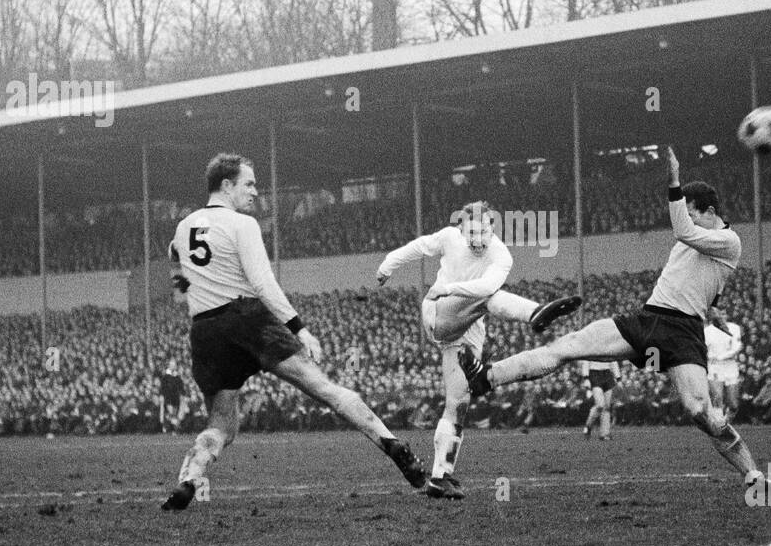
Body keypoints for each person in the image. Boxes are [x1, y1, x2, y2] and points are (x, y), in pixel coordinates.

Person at [458, 146, 764, 488]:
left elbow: (684, 232)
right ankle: (487, 378)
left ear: (709, 212)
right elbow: (703, 281)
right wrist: (716, 310)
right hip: (648, 320)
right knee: (567, 346)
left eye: (692, 214)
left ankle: (753, 474)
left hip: (682, 334)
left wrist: (674, 179)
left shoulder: (729, 240)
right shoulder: (703, 239)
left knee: (701, 414)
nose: (687, 220)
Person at [161, 153, 427, 511]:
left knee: (223, 426)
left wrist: (186, 287)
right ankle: (395, 447)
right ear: (226, 186)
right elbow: (263, 282)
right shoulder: (242, 224)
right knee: (325, 388)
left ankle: (189, 478)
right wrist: (300, 329)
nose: (255, 191)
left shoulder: (183, 227)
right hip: (247, 318)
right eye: (249, 183)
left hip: (206, 329)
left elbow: (173, 258)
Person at [376, 201, 581, 499]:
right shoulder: (449, 237)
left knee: (459, 400)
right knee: (489, 299)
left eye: (484, 230)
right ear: (461, 228)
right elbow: (419, 246)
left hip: (468, 321)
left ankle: (440, 476)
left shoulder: (501, 255)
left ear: (492, 228)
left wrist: (451, 288)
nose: (479, 237)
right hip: (439, 314)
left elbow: (486, 286)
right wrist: (387, 265)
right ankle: (535, 313)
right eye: (472, 230)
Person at [704, 307, 742, 417]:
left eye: (723, 314)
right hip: (714, 367)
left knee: (733, 404)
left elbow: (736, 347)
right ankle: (720, 427)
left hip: (730, 367)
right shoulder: (707, 331)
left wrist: (720, 357)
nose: (721, 316)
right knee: (717, 399)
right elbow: (702, 349)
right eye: (718, 314)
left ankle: (726, 423)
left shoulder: (734, 328)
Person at [580, 360, 620, 440]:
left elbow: (613, 360)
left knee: (607, 406)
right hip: (594, 373)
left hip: (607, 374)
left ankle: (604, 434)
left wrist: (618, 377)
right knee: (600, 405)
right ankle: (588, 425)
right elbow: (586, 360)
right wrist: (586, 378)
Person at [157, 358, 186, 433]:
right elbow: (162, 387)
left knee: (174, 414)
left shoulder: (177, 376)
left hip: (175, 397)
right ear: (169, 366)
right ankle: (173, 427)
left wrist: (183, 394)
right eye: (172, 365)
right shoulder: (166, 376)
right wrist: (161, 395)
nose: (173, 366)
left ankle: (171, 428)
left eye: (174, 365)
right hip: (168, 397)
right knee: (171, 413)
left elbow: (181, 387)